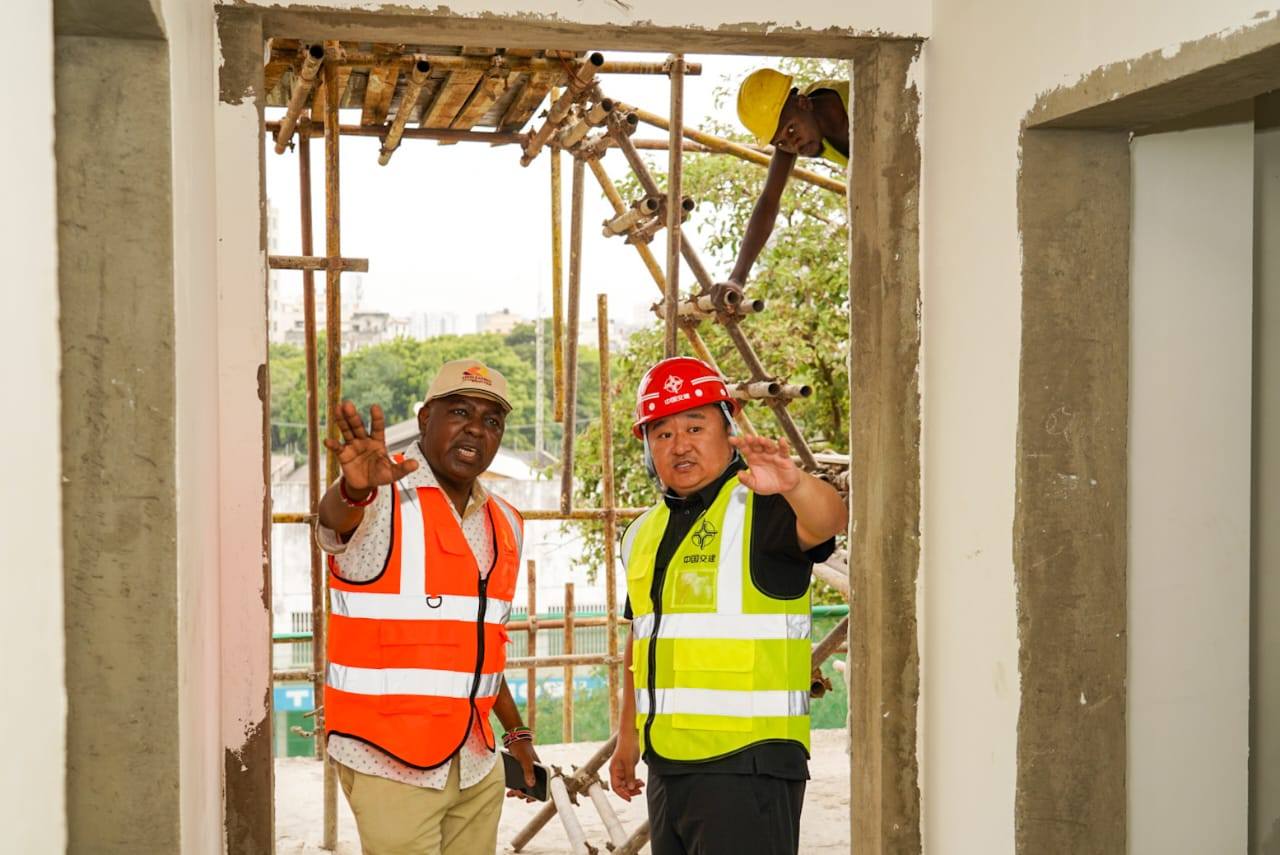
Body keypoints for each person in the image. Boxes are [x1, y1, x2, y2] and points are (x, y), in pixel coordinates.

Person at [608, 357, 847, 854]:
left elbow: (829, 521)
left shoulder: (762, 504)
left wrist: (796, 483)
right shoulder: (641, 533)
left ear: (728, 427)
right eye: (663, 434)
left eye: (695, 426)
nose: (680, 444)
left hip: (749, 767)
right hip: (668, 766)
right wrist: (628, 741)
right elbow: (642, 639)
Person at [316, 358, 538, 855]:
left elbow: (477, 645)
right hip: (389, 760)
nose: (476, 430)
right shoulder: (379, 497)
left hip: (476, 762)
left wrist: (515, 730)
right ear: (423, 419)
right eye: (460, 411)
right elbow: (333, 525)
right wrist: (354, 488)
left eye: (492, 421)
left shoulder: (506, 522)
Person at [726, 68, 849, 290]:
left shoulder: (858, 101)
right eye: (781, 143)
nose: (794, 145)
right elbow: (769, 200)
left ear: (804, 103)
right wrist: (737, 279)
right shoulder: (799, 132)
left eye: (791, 130)